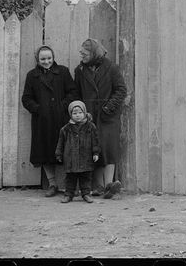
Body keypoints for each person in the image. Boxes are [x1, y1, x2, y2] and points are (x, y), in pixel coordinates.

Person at [21, 45, 78, 197]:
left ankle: (70, 185)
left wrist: (62, 106)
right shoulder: (32, 75)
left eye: (49, 58)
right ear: (38, 60)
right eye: (43, 59)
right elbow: (26, 98)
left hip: (62, 119)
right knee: (45, 151)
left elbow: (73, 92)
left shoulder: (63, 72)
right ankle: (52, 184)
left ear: (53, 58)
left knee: (66, 151)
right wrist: (38, 109)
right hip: (42, 121)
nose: (46, 62)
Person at [74, 38, 127, 199]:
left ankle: (109, 186)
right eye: (81, 53)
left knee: (109, 149)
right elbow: (76, 93)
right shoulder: (80, 70)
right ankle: (98, 187)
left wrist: (108, 108)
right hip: (89, 115)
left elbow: (121, 90)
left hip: (108, 115)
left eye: (85, 53)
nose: (82, 56)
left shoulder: (111, 68)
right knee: (93, 148)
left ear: (94, 53)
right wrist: (81, 112)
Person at [56, 101, 100, 203]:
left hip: (86, 158)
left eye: (80, 113)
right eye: (74, 113)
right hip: (71, 159)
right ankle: (69, 195)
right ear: (70, 114)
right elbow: (61, 142)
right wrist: (59, 154)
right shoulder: (65, 129)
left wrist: (96, 153)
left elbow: (95, 141)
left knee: (86, 177)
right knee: (70, 179)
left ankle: (86, 194)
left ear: (84, 112)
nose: (77, 115)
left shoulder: (90, 127)